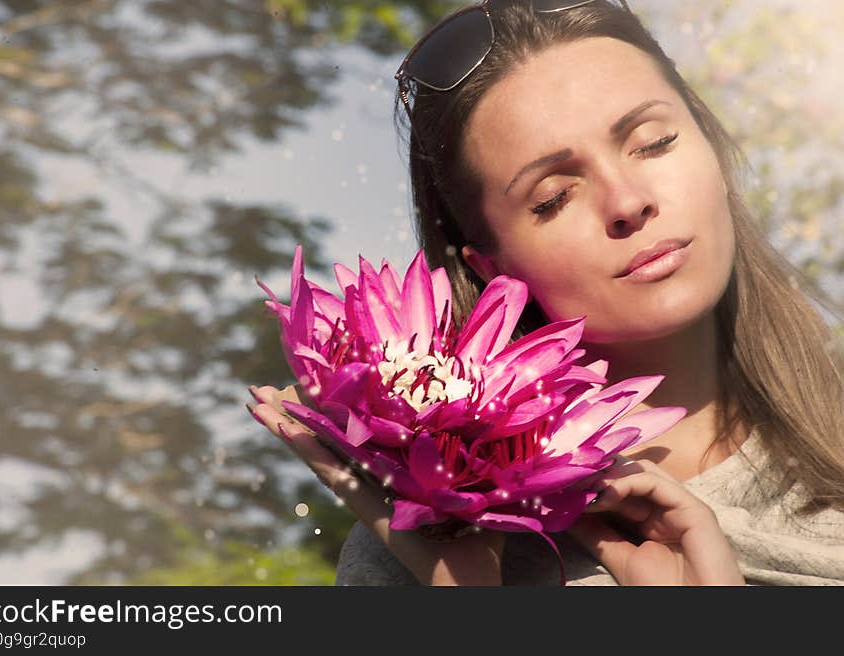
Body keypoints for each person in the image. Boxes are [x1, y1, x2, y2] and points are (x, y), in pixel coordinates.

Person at [248, 0, 844, 585]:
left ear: (712, 145)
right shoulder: (417, 555)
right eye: (553, 197)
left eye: (653, 142)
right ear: (490, 269)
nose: (627, 201)